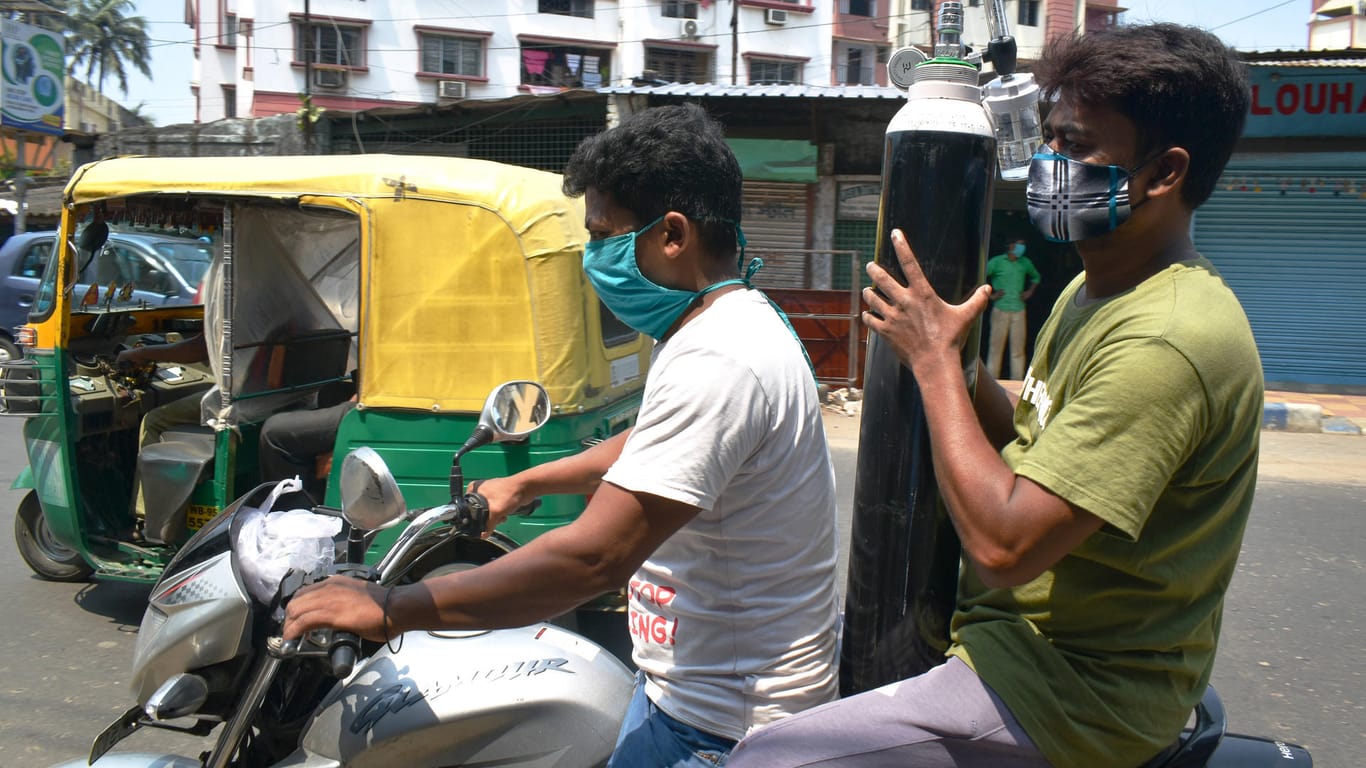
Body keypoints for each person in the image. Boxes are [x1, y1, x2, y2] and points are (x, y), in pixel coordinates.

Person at [728, 23, 1259, 768]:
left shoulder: (1164, 340)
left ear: (1163, 173)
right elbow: (1034, 449)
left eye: (1076, 147)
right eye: (1047, 140)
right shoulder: (1093, 290)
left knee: (769, 758)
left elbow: (1007, 545)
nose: (1047, 165)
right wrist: (964, 365)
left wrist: (938, 363)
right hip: (1010, 648)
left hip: (1068, 694)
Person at [283, 103, 842, 767]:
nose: (593, 259)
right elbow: (653, 447)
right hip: (699, 697)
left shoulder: (718, 355)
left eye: (604, 236)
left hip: (721, 731)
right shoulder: (722, 321)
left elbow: (592, 560)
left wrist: (389, 608)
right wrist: (527, 481)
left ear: (672, 235)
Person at [984, 238, 1040, 380]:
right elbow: (979, 276)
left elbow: (1036, 277)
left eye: (1023, 244)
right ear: (1010, 245)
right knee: (995, 349)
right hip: (1000, 309)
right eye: (1019, 244)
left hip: (1019, 310)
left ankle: (1017, 383)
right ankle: (993, 382)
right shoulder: (996, 262)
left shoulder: (1025, 263)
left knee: (1018, 351)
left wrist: (1029, 292)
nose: (1022, 247)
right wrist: (991, 295)